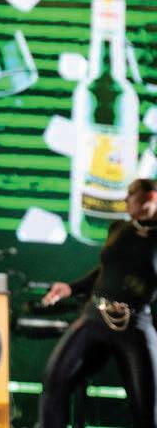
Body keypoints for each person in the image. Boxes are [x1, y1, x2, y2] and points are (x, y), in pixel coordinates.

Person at [40, 177, 157, 428]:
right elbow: (105, 270)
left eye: (131, 195)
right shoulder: (120, 229)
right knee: (55, 381)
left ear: (150, 198)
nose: (125, 200)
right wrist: (71, 288)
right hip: (95, 316)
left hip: (134, 325)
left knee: (147, 408)